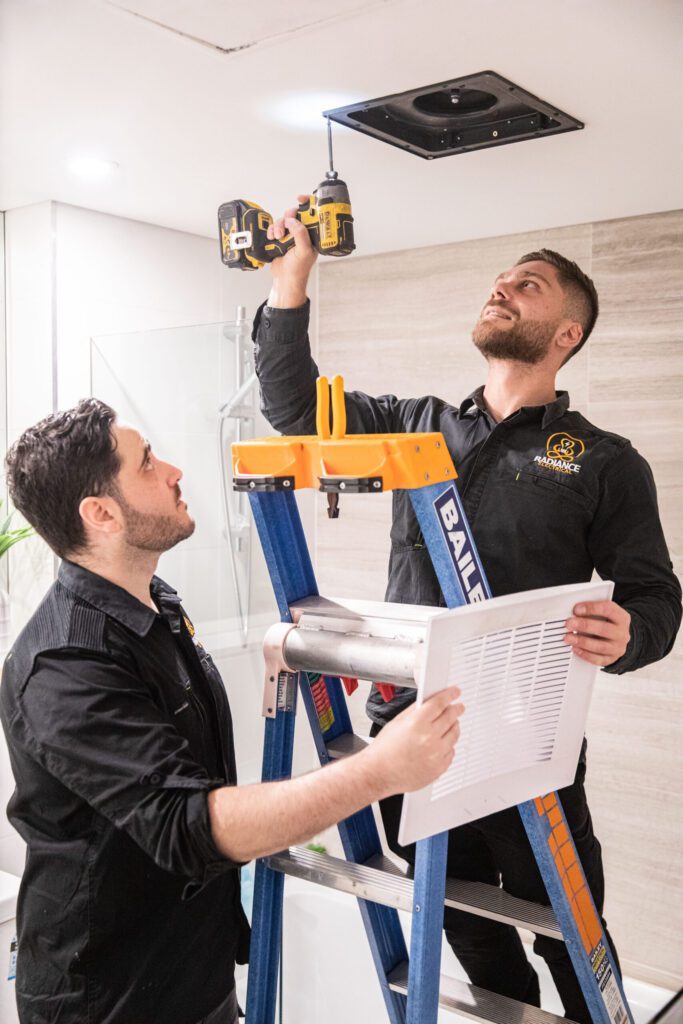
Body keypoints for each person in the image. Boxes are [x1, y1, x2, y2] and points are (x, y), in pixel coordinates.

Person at [251, 201, 682, 1024]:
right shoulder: (416, 425)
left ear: (566, 335)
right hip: (408, 730)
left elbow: (656, 597)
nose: (503, 290)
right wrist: (292, 278)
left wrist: (630, 633)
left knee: (566, 929)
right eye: (499, 281)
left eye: (529, 285)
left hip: (526, 741)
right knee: (457, 921)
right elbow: (294, 413)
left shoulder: (599, 460)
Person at [0, 399, 464, 1024]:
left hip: (192, 969)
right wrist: (382, 769)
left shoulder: (153, 603)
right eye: (147, 464)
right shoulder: (63, 664)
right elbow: (187, 824)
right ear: (102, 514)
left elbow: (177, 754)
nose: (174, 471)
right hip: (110, 999)